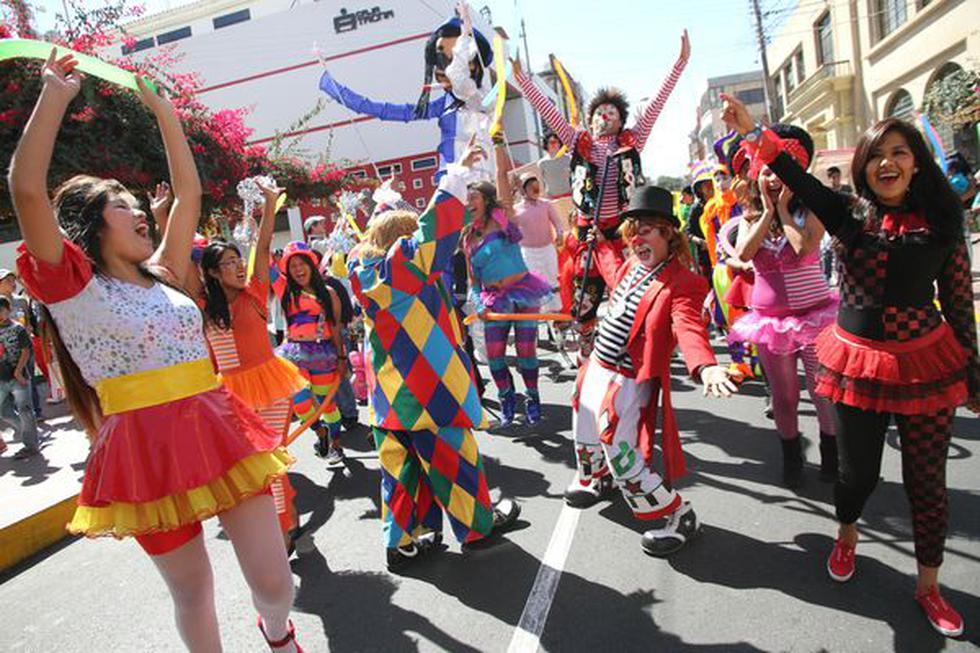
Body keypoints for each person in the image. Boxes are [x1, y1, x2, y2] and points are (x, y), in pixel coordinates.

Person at [10, 51, 302, 652]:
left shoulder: (167, 272)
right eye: (123, 205)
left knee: (275, 582)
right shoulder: (73, 286)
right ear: (93, 224)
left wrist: (166, 114)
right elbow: (27, 192)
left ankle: (277, 632)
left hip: (220, 428)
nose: (140, 211)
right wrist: (54, 98)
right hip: (142, 451)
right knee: (193, 592)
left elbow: (188, 188)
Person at [724, 92, 980, 638]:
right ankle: (846, 534)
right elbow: (796, 174)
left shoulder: (943, 224)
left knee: (927, 483)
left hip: (924, 366)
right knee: (856, 473)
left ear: (916, 162)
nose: (888, 163)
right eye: (876, 155)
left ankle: (929, 587)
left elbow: (959, 308)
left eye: (900, 152)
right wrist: (753, 130)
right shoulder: (849, 215)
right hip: (858, 366)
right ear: (863, 166)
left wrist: (974, 377)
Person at [349, 138, 521, 571]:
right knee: (453, 461)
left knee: (401, 474)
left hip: (389, 398)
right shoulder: (403, 272)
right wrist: (456, 176)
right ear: (398, 242)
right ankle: (478, 528)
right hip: (429, 388)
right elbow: (432, 234)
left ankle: (404, 541)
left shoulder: (365, 277)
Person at [565, 185, 738, 556]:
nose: (636, 238)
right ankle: (597, 481)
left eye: (645, 229)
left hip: (626, 381)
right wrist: (600, 243)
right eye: (631, 231)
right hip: (597, 365)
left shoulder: (684, 282)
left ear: (667, 232)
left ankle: (680, 515)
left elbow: (689, 326)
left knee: (621, 452)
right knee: (582, 422)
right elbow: (613, 271)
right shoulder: (632, 264)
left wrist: (705, 366)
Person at [512, 31, 689, 357]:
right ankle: (587, 346)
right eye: (598, 113)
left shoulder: (631, 141)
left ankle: (648, 339)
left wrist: (679, 64)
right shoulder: (579, 141)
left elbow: (658, 104)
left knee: (638, 289)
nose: (602, 117)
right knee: (584, 296)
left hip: (625, 230)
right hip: (588, 232)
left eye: (610, 113)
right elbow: (547, 109)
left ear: (621, 120)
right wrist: (521, 78)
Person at [199, 179, 309, 552]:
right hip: (230, 397)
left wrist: (270, 204)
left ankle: (281, 534)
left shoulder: (256, 293)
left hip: (271, 387)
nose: (234, 265)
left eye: (235, 260)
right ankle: (285, 518)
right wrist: (166, 214)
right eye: (226, 263)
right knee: (253, 468)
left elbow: (261, 246)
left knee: (269, 458)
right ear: (212, 272)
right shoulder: (202, 307)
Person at [729, 124, 839, 488]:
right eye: (767, 172)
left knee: (824, 393)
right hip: (770, 325)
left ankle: (831, 458)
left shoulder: (814, 211)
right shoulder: (748, 218)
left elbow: (803, 248)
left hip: (816, 319)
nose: (773, 179)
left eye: (780, 172)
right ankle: (792, 459)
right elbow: (745, 253)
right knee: (785, 397)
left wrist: (785, 211)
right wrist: (767, 212)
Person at [463, 141, 552, 427]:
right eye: (466, 198)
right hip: (493, 301)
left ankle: (533, 399)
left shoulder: (503, 219)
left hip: (525, 293)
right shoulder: (468, 239)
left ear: (486, 200)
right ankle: (507, 401)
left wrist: (498, 140)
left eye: (473, 196)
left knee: (526, 352)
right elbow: (473, 281)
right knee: (495, 357)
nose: (468, 202)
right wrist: (480, 305)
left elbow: (502, 175)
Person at [271, 241, 347, 468]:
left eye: (302, 263)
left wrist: (342, 359)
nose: (298, 269)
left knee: (327, 405)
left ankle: (336, 443)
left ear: (312, 265)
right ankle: (320, 431)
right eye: (292, 265)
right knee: (301, 403)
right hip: (293, 354)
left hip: (324, 354)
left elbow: (335, 329)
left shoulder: (329, 293)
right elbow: (263, 263)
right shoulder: (284, 290)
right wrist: (257, 229)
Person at [512, 171, 564, 313]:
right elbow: (509, 226)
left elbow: (558, 223)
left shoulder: (546, 205)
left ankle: (557, 316)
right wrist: (512, 190)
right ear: (523, 190)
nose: (536, 190)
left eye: (537, 186)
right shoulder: (516, 210)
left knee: (552, 279)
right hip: (528, 252)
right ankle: (540, 315)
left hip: (547, 249)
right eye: (530, 187)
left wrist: (560, 234)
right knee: (535, 284)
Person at [0, 296, 40, 459]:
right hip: (1, 378)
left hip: (19, 377)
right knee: (4, 412)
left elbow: (26, 351)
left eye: (1, 310)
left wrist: (18, 371)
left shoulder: (18, 329)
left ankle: (31, 445)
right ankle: (27, 431)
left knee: (25, 410)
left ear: (8, 311)